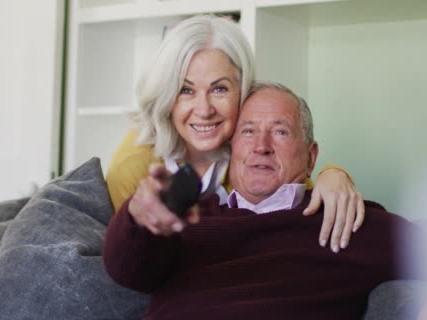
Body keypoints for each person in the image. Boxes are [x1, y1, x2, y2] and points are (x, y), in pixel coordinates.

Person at [103, 81, 419, 319]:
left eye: (280, 132)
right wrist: (138, 216)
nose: (261, 146)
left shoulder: (340, 220)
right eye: (248, 132)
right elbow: (126, 271)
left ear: (311, 158)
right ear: (231, 149)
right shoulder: (189, 217)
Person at [106, 15, 364, 251]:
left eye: (219, 89)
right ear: (166, 96)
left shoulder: (249, 149)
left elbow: (296, 189)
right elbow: (129, 258)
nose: (204, 110)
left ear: (242, 89)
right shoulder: (132, 166)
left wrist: (333, 174)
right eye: (186, 90)